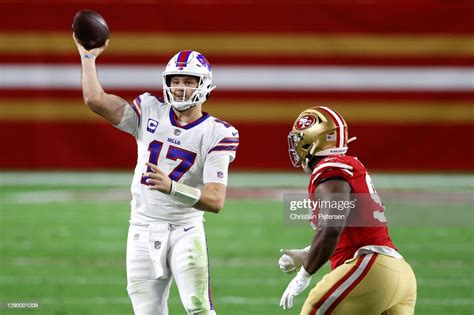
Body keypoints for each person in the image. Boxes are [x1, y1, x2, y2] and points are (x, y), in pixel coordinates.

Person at [73, 35, 238, 315]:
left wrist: (172, 187)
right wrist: (88, 57)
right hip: (141, 227)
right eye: (176, 80)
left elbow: (215, 200)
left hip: (185, 230)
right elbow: (95, 100)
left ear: (204, 85)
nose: (180, 88)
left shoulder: (218, 133)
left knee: (198, 309)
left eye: (189, 81)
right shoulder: (149, 110)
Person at [278, 106, 416, 314]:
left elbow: (331, 228)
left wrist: (304, 274)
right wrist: (308, 253)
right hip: (398, 273)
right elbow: (346, 229)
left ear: (314, 140)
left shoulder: (330, 169)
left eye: (300, 139)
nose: (296, 146)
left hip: (371, 269)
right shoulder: (347, 166)